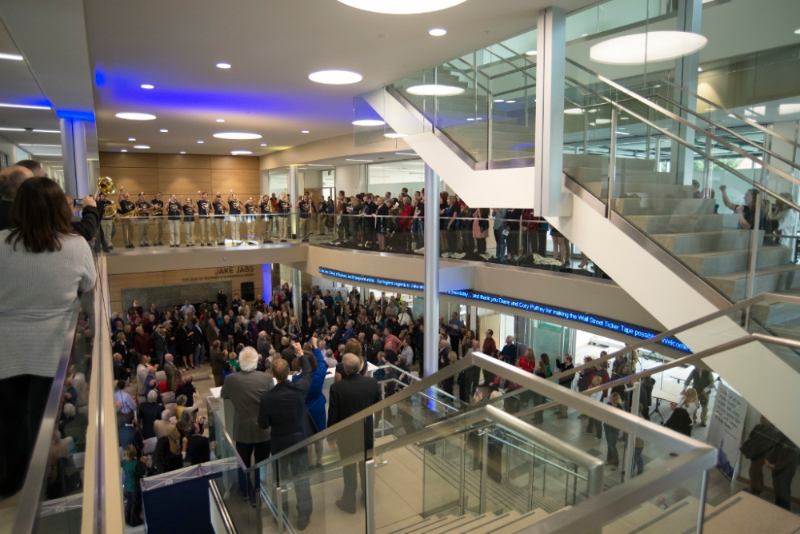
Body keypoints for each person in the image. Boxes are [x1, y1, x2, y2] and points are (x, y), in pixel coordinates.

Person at [0, 177, 96, 497]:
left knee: (10, 421)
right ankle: (37, 486)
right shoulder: (75, 245)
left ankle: (12, 483)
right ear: (60, 209)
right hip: (51, 350)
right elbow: (89, 283)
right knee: (41, 423)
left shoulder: (1, 242)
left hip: (6, 348)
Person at [258, 342, 315, 530]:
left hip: (279, 444)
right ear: (289, 371)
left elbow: (263, 424)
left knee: (280, 481)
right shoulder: (299, 389)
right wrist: (300, 354)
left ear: (272, 375)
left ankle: (280, 514)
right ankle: (304, 514)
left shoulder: (267, 399)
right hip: (298, 441)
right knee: (301, 479)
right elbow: (307, 372)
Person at [327, 353, 382, 514]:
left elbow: (333, 415)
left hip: (347, 437)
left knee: (349, 468)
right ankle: (366, 498)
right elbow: (379, 407)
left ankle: (349, 501)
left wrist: (331, 437)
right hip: (366, 433)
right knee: (366, 465)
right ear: (359, 367)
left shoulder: (337, 388)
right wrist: (375, 425)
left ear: (344, 368)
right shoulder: (372, 383)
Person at [221, 346, 274, 505]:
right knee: (261, 462)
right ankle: (258, 492)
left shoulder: (231, 379)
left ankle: (244, 490)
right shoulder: (266, 378)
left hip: (242, 428)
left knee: (243, 462)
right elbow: (271, 399)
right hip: (263, 429)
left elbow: (224, 395)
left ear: (240, 362)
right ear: (256, 361)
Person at [740, 416, 780, 496]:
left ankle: (755, 490)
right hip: (754, 453)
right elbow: (751, 436)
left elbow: (766, 446)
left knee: (753, 470)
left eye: (763, 417)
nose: (760, 418)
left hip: (763, 456)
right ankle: (760, 488)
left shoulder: (773, 432)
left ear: (768, 419)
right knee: (758, 471)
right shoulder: (759, 427)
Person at [766, 432, 799, 510]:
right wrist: (767, 458)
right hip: (775, 468)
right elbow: (772, 447)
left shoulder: (795, 439)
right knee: (777, 490)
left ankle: (785, 512)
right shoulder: (780, 434)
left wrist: (776, 466)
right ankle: (778, 509)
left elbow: (791, 459)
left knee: (783, 492)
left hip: (786, 471)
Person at [121, 444, 147, 526]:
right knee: (136, 504)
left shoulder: (124, 462)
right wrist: (143, 462)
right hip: (135, 486)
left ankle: (128, 519)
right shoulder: (136, 463)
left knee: (130, 503)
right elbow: (142, 472)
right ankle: (134, 521)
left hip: (128, 485)